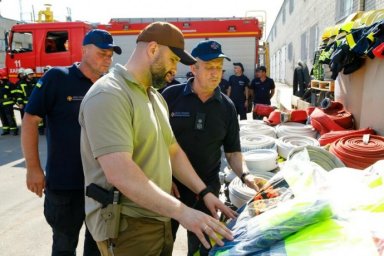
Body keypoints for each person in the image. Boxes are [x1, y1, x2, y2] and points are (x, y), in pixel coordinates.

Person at [79, 22, 235, 256]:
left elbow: (173, 151)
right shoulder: (110, 94)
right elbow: (120, 173)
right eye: (172, 60)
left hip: (158, 218)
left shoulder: (154, 97)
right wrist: (183, 212)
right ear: (152, 50)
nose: (174, 70)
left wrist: (204, 193)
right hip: (128, 226)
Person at [21, 29, 122, 256]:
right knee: (64, 246)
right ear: (84, 50)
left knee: (98, 246)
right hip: (65, 186)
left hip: (101, 185)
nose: (107, 58)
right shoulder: (58, 78)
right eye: (102, 53)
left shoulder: (111, 85)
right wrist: (33, 169)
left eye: (110, 54)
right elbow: (29, 121)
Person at [162, 40, 259, 256]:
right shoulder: (170, 97)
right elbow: (154, 142)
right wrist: (163, 177)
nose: (215, 73)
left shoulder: (227, 107)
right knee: (161, 245)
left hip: (207, 193)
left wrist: (245, 176)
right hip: (170, 188)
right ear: (194, 68)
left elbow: (233, 152)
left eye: (218, 68)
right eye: (209, 67)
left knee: (203, 249)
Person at [0, 71, 18, 135]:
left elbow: (14, 94)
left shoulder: (9, 84)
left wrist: (14, 101)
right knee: (3, 117)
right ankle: (6, 130)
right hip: (1, 104)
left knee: (10, 117)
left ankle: (14, 129)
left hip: (8, 104)